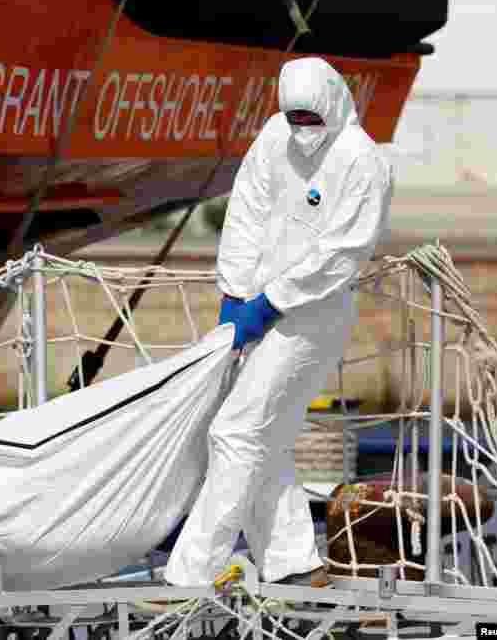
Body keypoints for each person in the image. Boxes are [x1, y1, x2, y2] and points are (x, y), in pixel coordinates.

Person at [165, 57, 393, 588]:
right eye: (295, 118)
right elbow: (247, 210)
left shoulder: (363, 161)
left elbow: (342, 254)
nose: (303, 130)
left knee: (236, 431)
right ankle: (293, 561)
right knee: (261, 439)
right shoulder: (275, 136)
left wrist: (269, 302)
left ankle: (193, 574)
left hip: (312, 317)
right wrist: (234, 293)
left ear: (335, 105)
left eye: (312, 119)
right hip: (254, 309)